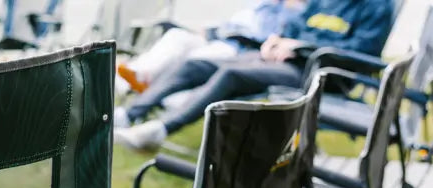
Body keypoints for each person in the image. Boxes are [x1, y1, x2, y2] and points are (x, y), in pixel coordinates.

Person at [114, 0, 394, 150]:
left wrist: (301, 47)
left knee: (232, 74)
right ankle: (131, 113)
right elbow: (296, 23)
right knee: (198, 64)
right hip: (283, 59)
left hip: (319, 73)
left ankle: (161, 129)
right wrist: (278, 39)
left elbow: (362, 54)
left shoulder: (377, 5)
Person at [114, 0, 305, 94]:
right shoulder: (262, 5)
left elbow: (266, 36)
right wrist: (210, 31)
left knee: (193, 60)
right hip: (219, 38)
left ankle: (140, 85)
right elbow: (234, 23)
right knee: (177, 36)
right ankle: (135, 74)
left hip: (238, 49)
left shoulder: (292, 13)